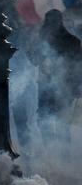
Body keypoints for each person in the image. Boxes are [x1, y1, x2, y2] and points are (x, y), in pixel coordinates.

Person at [30, 9, 82, 142]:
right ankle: (56, 152)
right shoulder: (72, 41)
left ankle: (58, 152)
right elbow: (34, 59)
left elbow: (77, 66)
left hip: (63, 87)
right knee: (51, 122)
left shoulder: (72, 42)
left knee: (57, 123)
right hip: (50, 87)